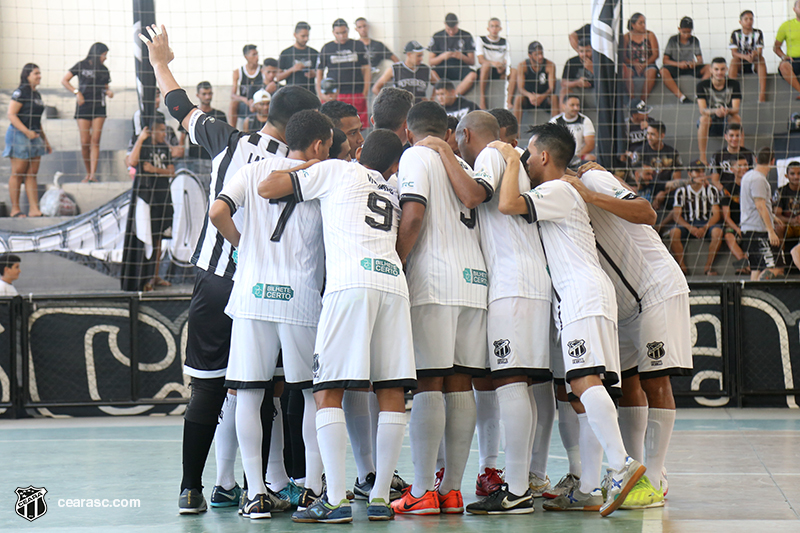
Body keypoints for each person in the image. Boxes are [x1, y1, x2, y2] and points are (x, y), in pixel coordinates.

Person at [138, 23, 322, 514]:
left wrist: (159, 62)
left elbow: (178, 107)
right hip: (272, 287)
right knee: (263, 390)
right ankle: (265, 486)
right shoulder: (305, 167)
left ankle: (192, 489)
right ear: (307, 124)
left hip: (215, 281)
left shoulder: (227, 139)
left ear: (268, 112)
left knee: (207, 387)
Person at [260, 130, 415, 523]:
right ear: (394, 165)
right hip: (394, 284)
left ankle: (333, 500)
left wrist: (315, 164)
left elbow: (268, 187)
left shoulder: (337, 171)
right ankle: (380, 497)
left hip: (350, 285)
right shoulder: (392, 190)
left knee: (327, 389)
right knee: (391, 388)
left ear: (359, 152)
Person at [491, 123, 645, 517]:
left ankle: (621, 465)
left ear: (543, 156)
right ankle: (591, 486)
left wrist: (508, 158)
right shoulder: (563, 189)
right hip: (584, 294)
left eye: (528, 153)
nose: (524, 158)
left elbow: (507, 203)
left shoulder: (557, 189)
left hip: (581, 294)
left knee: (583, 381)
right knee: (587, 389)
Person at [208, 110, 331, 519]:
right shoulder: (322, 174)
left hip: (252, 293)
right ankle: (314, 489)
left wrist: (245, 248)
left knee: (249, 393)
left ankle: (256, 493)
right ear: (317, 144)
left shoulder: (252, 169)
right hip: (299, 297)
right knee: (312, 394)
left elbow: (217, 212)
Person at [430, 111, 553, 514]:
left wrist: (442, 152)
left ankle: (516, 489)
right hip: (529, 281)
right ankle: (522, 482)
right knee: (523, 382)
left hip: (513, 283)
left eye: (458, 141)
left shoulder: (489, 155)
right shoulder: (513, 156)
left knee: (511, 380)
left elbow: (473, 195)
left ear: (465, 134)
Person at [560, 163, 691, 510]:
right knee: (629, 383)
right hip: (619, 302)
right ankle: (636, 472)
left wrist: (592, 193)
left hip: (655, 288)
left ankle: (657, 475)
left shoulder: (593, 179)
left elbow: (646, 211)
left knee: (655, 381)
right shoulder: (558, 196)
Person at [391, 101, 489, 516]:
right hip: (475, 282)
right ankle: (451, 490)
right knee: (460, 382)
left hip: (435, 280)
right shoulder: (463, 163)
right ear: (449, 133)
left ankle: (420, 490)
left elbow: (412, 217)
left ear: (407, 132)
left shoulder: (415, 155)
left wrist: (395, 263)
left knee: (430, 383)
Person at [125, 117, 174, 291]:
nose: (164, 134)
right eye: (161, 130)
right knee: (149, 236)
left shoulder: (164, 148)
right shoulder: (144, 147)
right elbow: (132, 162)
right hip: (148, 200)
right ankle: (145, 277)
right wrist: (140, 139)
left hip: (163, 197)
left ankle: (155, 276)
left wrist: (155, 170)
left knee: (159, 238)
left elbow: (171, 172)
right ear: (152, 131)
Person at [62, 42, 113, 183]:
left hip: (99, 107)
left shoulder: (104, 70)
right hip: (83, 106)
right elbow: (65, 80)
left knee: (95, 140)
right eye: (104, 55)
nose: (105, 58)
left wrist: (108, 92)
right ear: (98, 54)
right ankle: (87, 171)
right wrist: (76, 92)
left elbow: (105, 87)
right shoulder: (81, 65)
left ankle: (92, 174)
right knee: (85, 141)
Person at [5, 63, 50, 217]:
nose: (39, 76)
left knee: (32, 174)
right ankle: (15, 209)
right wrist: (26, 132)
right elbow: (11, 114)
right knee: (18, 173)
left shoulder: (36, 94)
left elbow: (37, 120)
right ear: (27, 75)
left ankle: (34, 209)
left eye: (40, 73)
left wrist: (45, 141)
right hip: (19, 136)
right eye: (36, 73)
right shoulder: (21, 92)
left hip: (35, 136)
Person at [669, 160, 724, 275]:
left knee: (717, 232)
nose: (701, 174)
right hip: (688, 223)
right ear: (689, 174)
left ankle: (708, 268)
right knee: (674, 232)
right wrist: (690, 228)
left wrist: (704, 227)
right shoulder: (681, 191)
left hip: (706, 222)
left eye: (702, 171)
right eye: (697, 171)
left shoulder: (711, 190)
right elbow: (676, 215)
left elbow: (716, 214)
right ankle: (682, 268)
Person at [316, 19, 370, 127]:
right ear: (333, 33)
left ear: (348, 31)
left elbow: (367, 69)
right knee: (333, 124)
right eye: (338, 33)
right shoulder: (327, 48)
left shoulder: (358, 45)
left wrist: (365, 92)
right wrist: (321, 94)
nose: (341, 36)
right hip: (333, 93)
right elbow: (319, 72)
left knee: (358, 125)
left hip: (356, 92)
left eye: (344, 32)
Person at [740, 148, 784, 279]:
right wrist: (770, 230)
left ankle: (751, 294)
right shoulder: (758, 179)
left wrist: (772, 216)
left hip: (749, 229)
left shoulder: (748, 176)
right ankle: (759, 293)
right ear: (772, 161)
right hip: (758, 231)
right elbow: (760, 205)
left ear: (756, 159)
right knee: (776, 267)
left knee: (757, 268)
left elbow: (754, 204)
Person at [696, 57, 741, 164]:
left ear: (726, 69)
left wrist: (726, 111)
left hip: (726, 120)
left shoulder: (734, 84)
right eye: (716, 69)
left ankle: (740, 153)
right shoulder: (702, 85)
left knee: (736, 118)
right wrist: (715, 111)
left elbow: (736, 109)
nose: (719, 72)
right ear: (711, 70)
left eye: (722, 69)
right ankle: (702, 157)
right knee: (703, 119)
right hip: (711, 121)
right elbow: (702, 110)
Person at [660, 17, 710, 103]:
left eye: (689, 32)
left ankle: (698, 93)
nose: (686, 35)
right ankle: (682, 97)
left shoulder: (694, 40)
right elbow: (665, 60)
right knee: (663, 71)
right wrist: (678, 64)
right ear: (679, 29)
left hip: (689, 66)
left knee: (710, 68)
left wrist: (695, 64)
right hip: (676, 66)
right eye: (684, 32)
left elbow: (700, 59)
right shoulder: (673, 40)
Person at [183, 81, 227, 177]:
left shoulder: (220, 115)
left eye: (209, 93)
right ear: (197, 95)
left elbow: (225, 138)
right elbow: (182, 138)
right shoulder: (190, 115)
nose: (207, 97)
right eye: (204, 94)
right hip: (195, 159)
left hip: (214, 159)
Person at [372, 41, 438, 104]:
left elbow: (439, 85)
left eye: (422, 56)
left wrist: (432, 100)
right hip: (401, 109)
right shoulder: (395, 69)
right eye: (418, 56)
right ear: (409, 54)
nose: (421, 59)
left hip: (420, 109)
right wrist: (388, 102)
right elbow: (376, 88)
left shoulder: (426, 69)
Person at [429, 13, 478, 96]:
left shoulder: (466, 36)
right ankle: (444, 92)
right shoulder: (437, 36)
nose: (451, 32)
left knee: (473, 75)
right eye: (448, 29)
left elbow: (472, 61)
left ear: (457, 24)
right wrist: (442, 57)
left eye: (453, 29)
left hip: (460, 67)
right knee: (430, 73)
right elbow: (431, 62)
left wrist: (461, 56)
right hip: (443, 67)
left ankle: (454, 96)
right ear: (445, 24)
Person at [721, 157, 753, 274]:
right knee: (729, 235)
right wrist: (738, 229)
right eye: (739, 165)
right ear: (732, 169)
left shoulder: (752, 185)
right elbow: (726, 217)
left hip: (751, 223)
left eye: (745, 165)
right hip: (735, 224)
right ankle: (745, 264)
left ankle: (744, 267)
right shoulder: (727, 189)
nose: (743, 168)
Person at [513, 41, 557, 124]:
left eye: (541, 53)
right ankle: (516, 133)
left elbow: (552, 88)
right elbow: (520, 88)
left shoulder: (550, 65)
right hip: (529, 98)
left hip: (544, 97)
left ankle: (556, 129)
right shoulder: (523, 65)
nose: (540, 57)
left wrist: (542, 96)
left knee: (554, 98)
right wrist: (530, 96)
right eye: (536, 54)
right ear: (530, 55)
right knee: (518, 98)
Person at [476, 18, 515, 110]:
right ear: (488, 28)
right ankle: (482, 99)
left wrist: (503, 66)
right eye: (492, 26)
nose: (494, 29)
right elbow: (480, 60)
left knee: (514, 71)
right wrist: (493, 64)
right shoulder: (481, 39)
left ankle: (508, 102)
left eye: (496, 26)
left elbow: (507, 60)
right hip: (485, 70)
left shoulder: (505, 42)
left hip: (500, 70)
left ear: (500, 28)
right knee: (486, 66)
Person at [730, 10, 767, 102]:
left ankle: (762, 94)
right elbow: (734, 53)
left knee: (761, 59)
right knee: (733, 61)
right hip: (740, 61)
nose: (749, 21)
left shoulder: (758, 33)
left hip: (754, 60)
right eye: (746, 19)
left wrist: (754, 54)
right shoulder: (735, 33)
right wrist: (745, 56)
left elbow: (760, 51)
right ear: (740, 22)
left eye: (751, 19)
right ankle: (731, 93)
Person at [621, 13, 660, 102]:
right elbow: (623, 56)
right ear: (633, 25)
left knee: (651, 72)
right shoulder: (627, 36)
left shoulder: (650, 35)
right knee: (626, 72)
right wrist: (634, 64)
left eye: (644, 23)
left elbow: (655, 54)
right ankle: (632, 100)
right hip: (631, 64)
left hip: (648, 63)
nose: (643, 25)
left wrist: (643, 65)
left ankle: (642, 101)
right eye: (640, 23)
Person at [549, 95, 595, 167]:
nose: (576, 108)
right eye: (572, 105)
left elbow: (590, 144)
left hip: (579, 156)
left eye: (578, 105)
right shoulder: (555, 121)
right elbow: (550, 142)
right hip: (561, 157)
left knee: (591, 157)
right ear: (564, 106)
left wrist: (577, 156)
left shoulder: (585, 120)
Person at [709, 123, 754, 192]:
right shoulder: (717, 156)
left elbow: (755, 176)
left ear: (741, 136)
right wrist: (726, 193)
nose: (734, 138)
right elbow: (715, 180)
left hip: (746, 191)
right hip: (725, 195)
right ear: (726, 137)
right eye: (731, 135)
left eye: (737, 135)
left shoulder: (750, 154)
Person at [278, 22, 319, 94]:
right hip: (291, 93)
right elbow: (278, 77)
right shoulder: (286, 53)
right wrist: (292, 70)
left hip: (310, 93)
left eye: (307, 36)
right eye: (303, 36)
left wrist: (314, 74)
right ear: (295, 35)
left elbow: (321, 74)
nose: (306, 39)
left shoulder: (314, 53)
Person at [773, 162, 800, 270]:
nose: (796, 176)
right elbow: (776, 215)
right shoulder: (781, 191)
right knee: (778, 226)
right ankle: (780, 259)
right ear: (786, 176)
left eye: (799, 173)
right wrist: (792, 220)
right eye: (792, 174)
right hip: (788, 225)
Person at [229, 44, 263, 128]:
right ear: (246, 57)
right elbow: (232, 95)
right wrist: (245, 100)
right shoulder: (238, 72)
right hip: (245, 104)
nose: (257, 57)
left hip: (260, 103)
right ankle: (232, 129)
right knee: (233, 103)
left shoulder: (263, 70)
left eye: (257, 54)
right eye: (254, 54)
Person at [774, 1, 800, 99]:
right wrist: (784, 56)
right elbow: (776, 47)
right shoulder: (786, 25)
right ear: (794, 9)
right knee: (784, 66)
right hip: (793, 60)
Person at [560, 38, 594, 106]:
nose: (584, 54)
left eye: (587, 51)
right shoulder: (571, 62)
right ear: (578, 51)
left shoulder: (600, 61)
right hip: (577, 92)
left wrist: (592, 69)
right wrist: (577, 83)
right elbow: (563, 83)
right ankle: (563, 116)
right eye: (581, 51)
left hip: (595, 93)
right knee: (564, 91)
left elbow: (607, 82)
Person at [620, 99, 651, 167]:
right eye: (643, 113)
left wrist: (649, 127)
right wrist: (628, 154)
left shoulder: (651, 122)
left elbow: (658, 137)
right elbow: (621, 147)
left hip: (649, 156)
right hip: (632, 158)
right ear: (634, 115)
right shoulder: (625, 126)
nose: (647, 114)